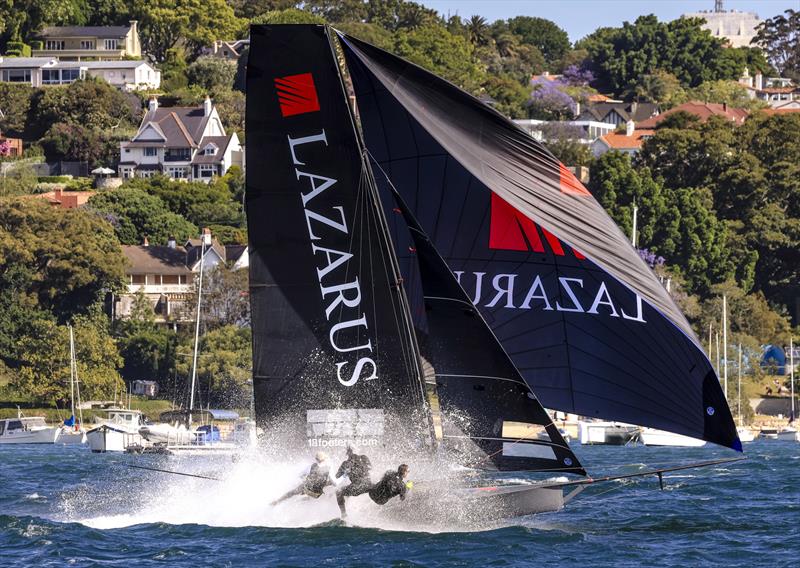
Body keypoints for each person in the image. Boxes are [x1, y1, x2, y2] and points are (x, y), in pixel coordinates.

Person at [335, 445, 373, 517]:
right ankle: (349, 503)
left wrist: (346, 472)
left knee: (338, 492)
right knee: (347, 489)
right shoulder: (364, 457)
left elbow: (337, 476)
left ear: (347, 453)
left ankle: (344, 514)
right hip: (368, 484)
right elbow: (370, 468)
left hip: (358, 487)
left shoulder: (345, 464)